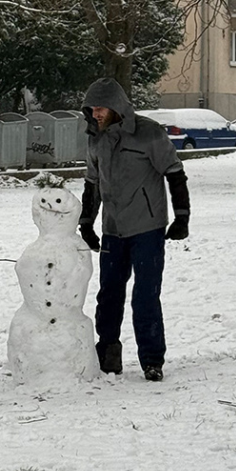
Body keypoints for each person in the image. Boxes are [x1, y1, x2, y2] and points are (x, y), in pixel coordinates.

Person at [78, 78, 190, 382]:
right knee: (109, 295)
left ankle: (152, 360)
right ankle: (108, 356)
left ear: (116, 107)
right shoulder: (95, 139)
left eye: (100, 108)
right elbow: (92, 183)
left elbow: (175, 174)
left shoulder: (149, 133)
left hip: (147, 228)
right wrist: (87, 222)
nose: (95, 114)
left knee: (145, 296)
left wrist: (182, 216)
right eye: (91, 109)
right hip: (113, 229)